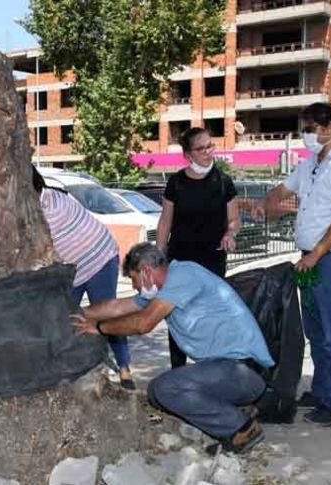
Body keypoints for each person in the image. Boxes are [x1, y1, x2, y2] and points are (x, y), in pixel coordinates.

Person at [72, 243, 273, 453]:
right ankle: (236, 410)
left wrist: (99, 328)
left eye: (133, 279)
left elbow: (143, 323)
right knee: (157, 393)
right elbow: (117, 307)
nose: (134, 286)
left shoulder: (182, 275)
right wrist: (77, 312)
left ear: (147, 272)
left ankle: (241, 428)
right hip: (228, 371)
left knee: (166, 388)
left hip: (243, 370)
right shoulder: (162, 291)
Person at [255, 102, 331, 425]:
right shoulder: (309, 165)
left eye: (310, 129)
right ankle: (319, 390)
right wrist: (265, 204)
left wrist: (316, 254)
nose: (305, 136)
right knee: (315, 330)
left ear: (329, 128)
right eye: (303, 129)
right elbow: (282, 190)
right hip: (309, 261)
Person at [33, 167, 135, 389]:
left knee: (107, 314)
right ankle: (71, 368)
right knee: (67, 318)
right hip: (74, 271)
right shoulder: (48, 199)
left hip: (100, 258)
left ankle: (125, 370)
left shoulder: (50, 207)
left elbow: (42, 247)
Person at [156, 126, 241, 369]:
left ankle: (210, 371)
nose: (208, 152)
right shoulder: (176, 183)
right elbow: (165, 222)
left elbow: (234, 220)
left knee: (210, 318)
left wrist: (230, 233)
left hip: (212, 263)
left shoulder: (223, 182)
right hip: (180, 261)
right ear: (188, 154)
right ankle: (178, 371)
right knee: (179, 315)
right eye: (201, 148)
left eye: (210, 146)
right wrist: (159, 256)